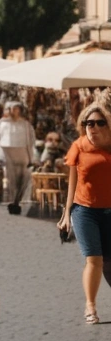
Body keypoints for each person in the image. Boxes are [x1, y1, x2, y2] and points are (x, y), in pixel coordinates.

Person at [57, 101, 111, 325]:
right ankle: (90, 306)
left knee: (109, 261)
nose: (93, 127)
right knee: (94, 259)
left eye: (99, 122)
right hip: (84, 210)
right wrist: (66, 213)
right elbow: (72, 182)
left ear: (107, 125)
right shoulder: (78, 146)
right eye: (89, 123)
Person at [0, 101, 35, 215]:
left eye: (17, 109)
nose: (15, 112)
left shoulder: (25, 125)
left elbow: (30, 142)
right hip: (7, 154)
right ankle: (13, 202)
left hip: (22, 154)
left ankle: (17, 201)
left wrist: (31, 158)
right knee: (11, 180)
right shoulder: (0, 124)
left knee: (23, 179)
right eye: (13, 109)